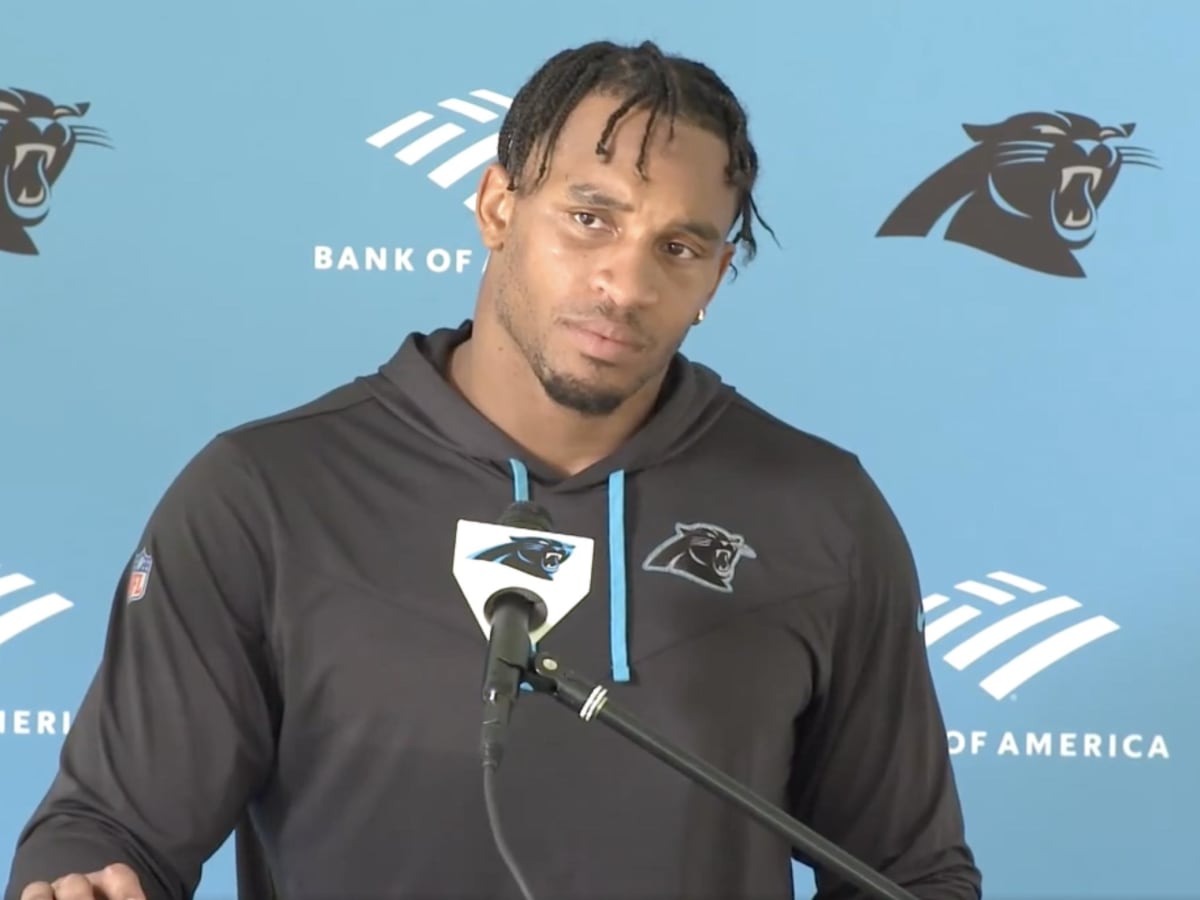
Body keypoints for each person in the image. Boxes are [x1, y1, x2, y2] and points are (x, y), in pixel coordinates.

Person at [4, 39, 982, 900]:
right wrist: (82, 882)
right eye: (591, 218)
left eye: (678, 247)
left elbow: (909, 872)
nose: (626, 283)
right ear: (497, 205)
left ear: (715, 280)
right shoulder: (264, 495)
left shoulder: (822, 514)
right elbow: (110, 829)